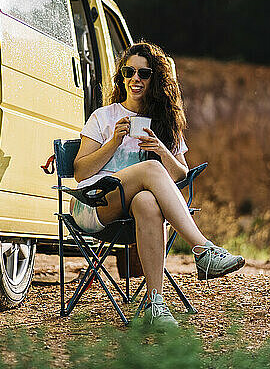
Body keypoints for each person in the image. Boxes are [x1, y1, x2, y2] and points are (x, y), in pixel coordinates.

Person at [72, 41, 245, 327]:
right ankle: (203, 250)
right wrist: (114, 142)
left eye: (144, 73)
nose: (135, 79)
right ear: (122, 76)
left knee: (148, 201)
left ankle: (155, 303)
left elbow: (180, 175)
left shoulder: (164, 122)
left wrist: (163, 150)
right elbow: (80, 172)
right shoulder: (103, 117)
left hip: (133, 208)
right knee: (150, 169)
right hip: (95, 204)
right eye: (129, 72)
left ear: (156, 79)